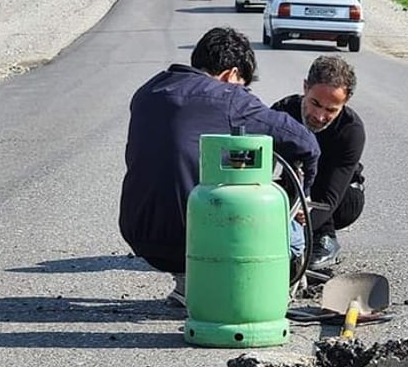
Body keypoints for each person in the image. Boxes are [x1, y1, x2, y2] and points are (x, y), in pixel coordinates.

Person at [119, 27, 320, 305]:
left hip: (139, 232)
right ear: (230, 74)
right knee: (295, 237)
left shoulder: (148, 90)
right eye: (243, 84)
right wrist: (301, 198)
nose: (244, 92)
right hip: (192, 240)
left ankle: (188, 284)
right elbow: (306, 142)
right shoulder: (228, 97)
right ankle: (262, 291)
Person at [271, 55, 365, 268]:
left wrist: (303, 224)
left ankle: (323, 238)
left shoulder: (351, 131)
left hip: (339, 197)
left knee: (320, 180)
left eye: (331, 110)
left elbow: (331, 197)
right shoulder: (282, 113)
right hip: (295, 185)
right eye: (315, 104)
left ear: (345, 102)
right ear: (305, 87)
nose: (320, 116)